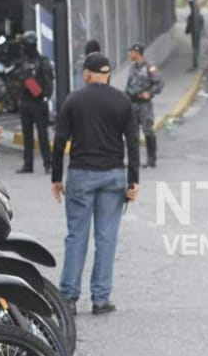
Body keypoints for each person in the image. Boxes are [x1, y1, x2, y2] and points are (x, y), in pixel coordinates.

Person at [51, 53, 139, 316]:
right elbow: (132, 143)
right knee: (106, 238)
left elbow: (59, 141)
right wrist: (133, 180)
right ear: (108, 73)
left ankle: (68, 297)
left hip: (81, 174)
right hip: (113, 175)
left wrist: (56, 177)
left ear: (88, 73)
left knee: (76, 236)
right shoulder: (122, 101)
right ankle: (101, 299)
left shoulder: (74, 100)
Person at [16, 31, 55, 174]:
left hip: (38, 103)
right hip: (26, 102)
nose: (23, 48)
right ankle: (28, 164)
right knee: (27, 136)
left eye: (25, 45)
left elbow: (49, 81)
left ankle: (48, 164)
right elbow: (21, 78)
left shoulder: (42, 61)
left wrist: (44, 97)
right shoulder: (24, 61)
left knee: (43, 135)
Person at [124, 43, 164, 168]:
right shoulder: (132, 67)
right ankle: (134, 160)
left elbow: (160, 83)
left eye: (131, 51)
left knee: (148, 131)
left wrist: (150, 93)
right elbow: (129, 85)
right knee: (132, 133)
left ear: (137, 52)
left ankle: (151, 160)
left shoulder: (149, 66)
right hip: (132, 103)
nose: (129, 54)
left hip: (144, 104)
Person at [185, 1, 204, 71]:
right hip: (197, 33)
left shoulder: (191, 16)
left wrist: (187, 31)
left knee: (195, 47)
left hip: (194, 33)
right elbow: (202, 25)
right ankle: (196, 61)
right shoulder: (200, 16)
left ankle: (195, 63)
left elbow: (188, 25)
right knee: (196, 47)